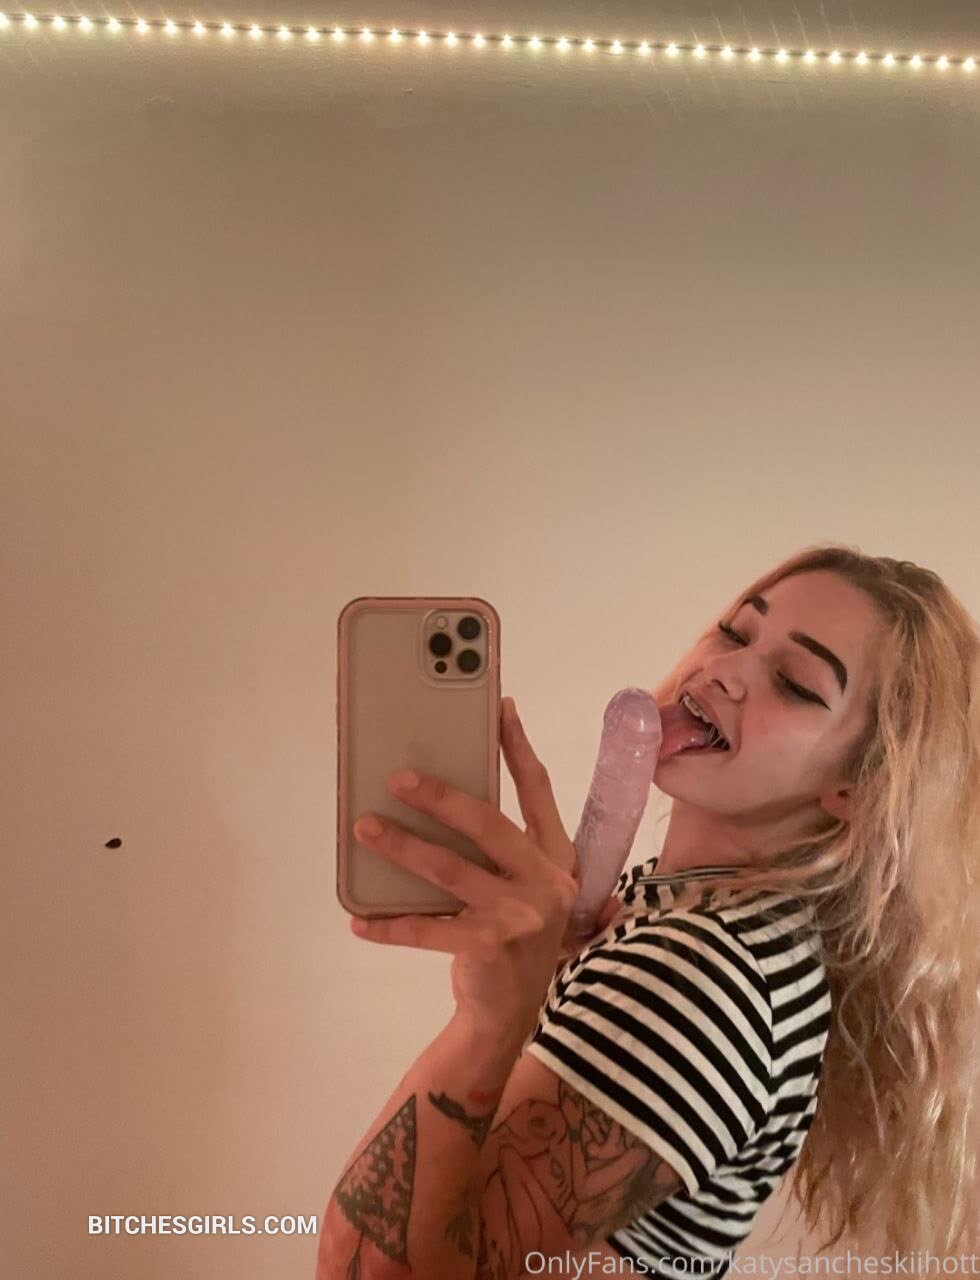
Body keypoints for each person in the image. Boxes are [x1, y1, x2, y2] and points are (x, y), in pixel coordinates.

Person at [316, 543, 980, 1279]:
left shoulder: (698, 974)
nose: (724, 669)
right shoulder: (703, 914)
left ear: (855, 787)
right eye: (734, 632)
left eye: (794, 683)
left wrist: (486, 1022)